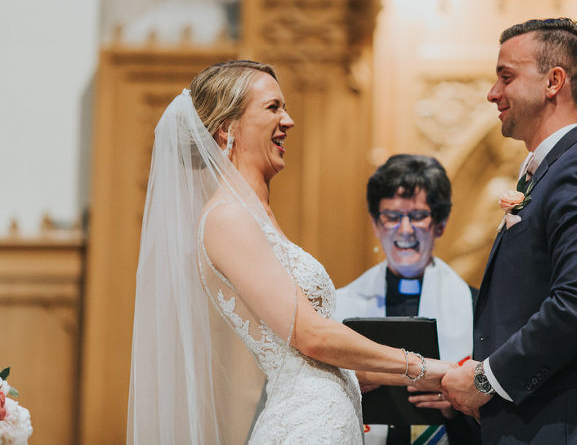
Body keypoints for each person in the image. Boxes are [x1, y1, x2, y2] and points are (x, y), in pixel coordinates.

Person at [126, 60, 451, 445]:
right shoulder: (227, 217)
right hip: (306, 427)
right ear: (228, 128)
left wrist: (437, 377)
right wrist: (421, 366)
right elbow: (310, 336)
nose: (289, 121)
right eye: (273, 107)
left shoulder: (255, 215)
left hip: (328, 420)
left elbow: (314, 359)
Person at [441, 18, 577, 444]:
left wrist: (485, 380)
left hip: (571, 428)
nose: (493, 93)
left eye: (506, 77)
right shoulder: (551, 173)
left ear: (554, 81)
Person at [334, 154, 481, 445]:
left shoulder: (477, 307)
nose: (404, 230)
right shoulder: (340, 306)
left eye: (417, 216)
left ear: (440, 223)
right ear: (375, 224)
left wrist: (456, 406)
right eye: (391, 216)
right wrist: (342, 385)